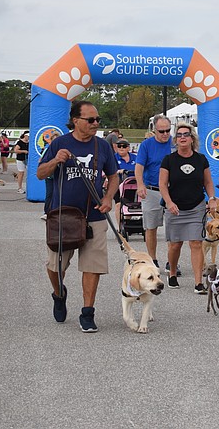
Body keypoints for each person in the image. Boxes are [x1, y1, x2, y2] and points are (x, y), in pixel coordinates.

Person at [37, 100, 118, 333]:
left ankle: (87, 312)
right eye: (90, 119)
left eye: (97, 120)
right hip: (62, 216)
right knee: (55, 266)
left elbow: (113, 177)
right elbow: (41, 174)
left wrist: (108, 198)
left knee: (92, 265)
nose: (95, 123)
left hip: (93, 215)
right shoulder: (59, 143)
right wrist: (55, 160)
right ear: (75, 120)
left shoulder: (102, 146)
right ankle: (59, 293)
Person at [159, 122, 219, 293]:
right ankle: (172, 273)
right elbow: (163, 184)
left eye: (186, 134)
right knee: (175, 245)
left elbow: (208, 182)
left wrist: (212, 198)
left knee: (195, 243)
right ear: (175, 140)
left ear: (192, 139)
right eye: (179, 135)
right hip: (175, 208)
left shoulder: (200, 159)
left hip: (196, 207)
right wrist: (169, 202)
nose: (183, 137)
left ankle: (198, 282)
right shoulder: (169, 160)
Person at [135, 115, 174, 267]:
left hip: (172, 190)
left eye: (168, 131)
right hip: (152, 189)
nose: (165, 134)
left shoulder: (175, 143)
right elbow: (139, 166)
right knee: (151, 226)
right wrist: (140, 184)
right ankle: (152, 259)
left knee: (173, 227)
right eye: (161, 131)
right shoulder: (146, 145)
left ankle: (172, 260)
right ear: (154, 130)